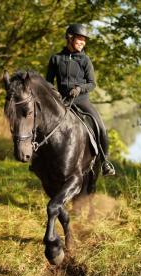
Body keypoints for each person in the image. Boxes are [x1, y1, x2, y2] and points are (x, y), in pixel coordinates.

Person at [46, 23, 115, 176]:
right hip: (60, 101)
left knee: (101, 127)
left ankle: (105, 162)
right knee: (42, 124)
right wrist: (53, 93)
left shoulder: (85, 60)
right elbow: (48, 82)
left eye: (84, 40)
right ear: (70, 38)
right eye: (80, 39)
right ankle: (38, 160)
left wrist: (79, 89)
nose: (83, 42)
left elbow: (92, 84)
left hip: (81, 101)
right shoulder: (56, 59)